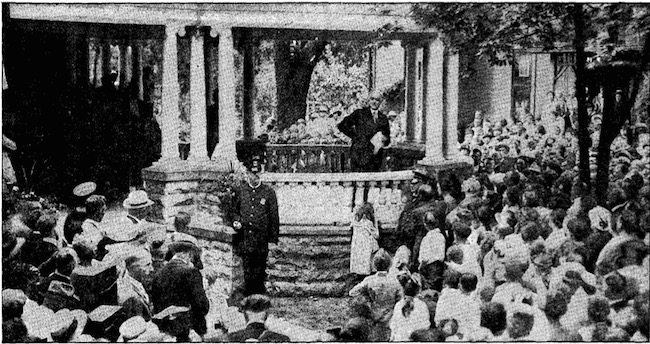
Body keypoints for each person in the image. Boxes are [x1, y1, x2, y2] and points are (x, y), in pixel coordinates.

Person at [229, 156, 280, 296]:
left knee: (260, 268)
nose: (254, 177)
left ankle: (259, 297)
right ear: (247, 174)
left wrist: (273, 240)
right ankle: (248, 297)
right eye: (252, 174)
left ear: (261, 173)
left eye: (257, 174)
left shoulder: (268, 192)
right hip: (245, 237)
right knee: (247, 268)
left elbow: (274, 218)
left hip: (261, 239)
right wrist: (236, 220)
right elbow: (233, 210)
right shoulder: (241, 190)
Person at [151, 241, 209, 341]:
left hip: (163, 330)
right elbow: (202, 307)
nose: (192, 262)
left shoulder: (158, 274)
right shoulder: (191, 272)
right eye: (193, 259)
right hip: (187, 331)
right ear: (189, 255)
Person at [349, 249, 403, 341]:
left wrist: (366, 295)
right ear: (390, 265)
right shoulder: (395, 281)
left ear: (374, 265)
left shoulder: (369, 280)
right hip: (390, 318)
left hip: (374, 317)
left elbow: (352, 292)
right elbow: (401, 299)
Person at [337, 91, 391, 172]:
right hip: (359, 155)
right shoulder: (359, 113)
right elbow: (342, 125)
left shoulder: (383, 118)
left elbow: (387, 138)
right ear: (369, 100)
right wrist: (355, 137)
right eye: (372, 99)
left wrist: (382, 140)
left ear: (380, 102)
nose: (374, 102)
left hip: (375, 158)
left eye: (377, 100)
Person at [350, 202, 379, 278]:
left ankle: (357, 272)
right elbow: (376, 235)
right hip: (366, 246)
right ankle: (367, 272)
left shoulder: (355, 223)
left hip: (357, 245)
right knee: (372, 247)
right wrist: (375, 222)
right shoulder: (368, 223)